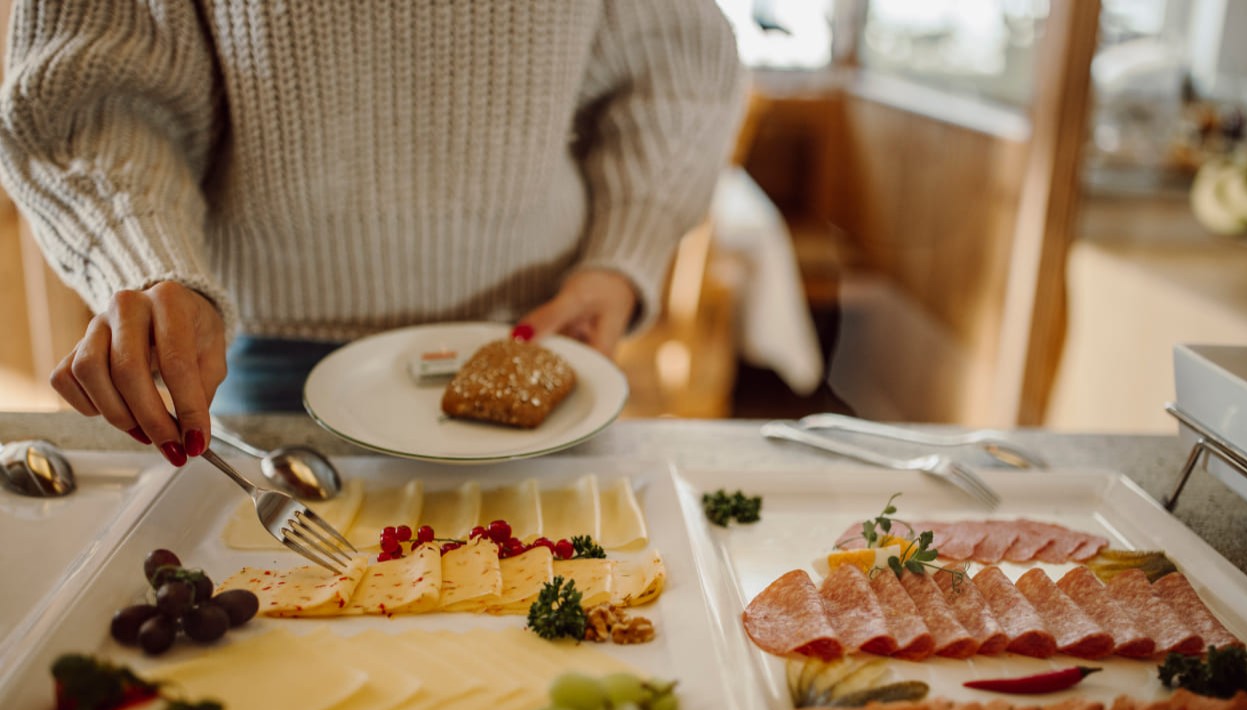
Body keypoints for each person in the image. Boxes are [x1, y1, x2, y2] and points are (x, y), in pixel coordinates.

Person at [0, 1, 745, 466]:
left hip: (536, 338)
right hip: (250, 358)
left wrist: (618, 262)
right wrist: (152, 265)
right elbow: (93, 98)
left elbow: (678, 68)